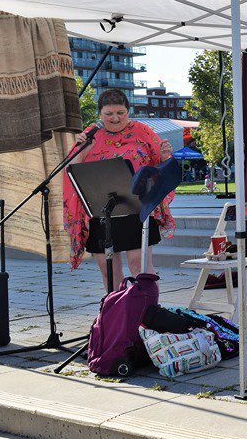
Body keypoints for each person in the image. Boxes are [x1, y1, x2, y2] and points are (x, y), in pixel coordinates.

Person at [62, 89, 175, 291]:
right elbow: (70, 172)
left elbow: (162, 170)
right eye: (109, 114)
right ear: (100, 114)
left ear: (128, 111)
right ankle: (115, 316)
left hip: (136, 211)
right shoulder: (90, 135)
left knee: (139, 267)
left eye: (120, 113)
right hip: (100, 212)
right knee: (110, 273)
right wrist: (83, 149)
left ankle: (147, 314)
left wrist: (166, 157)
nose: (115, 118)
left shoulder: (143, 131)